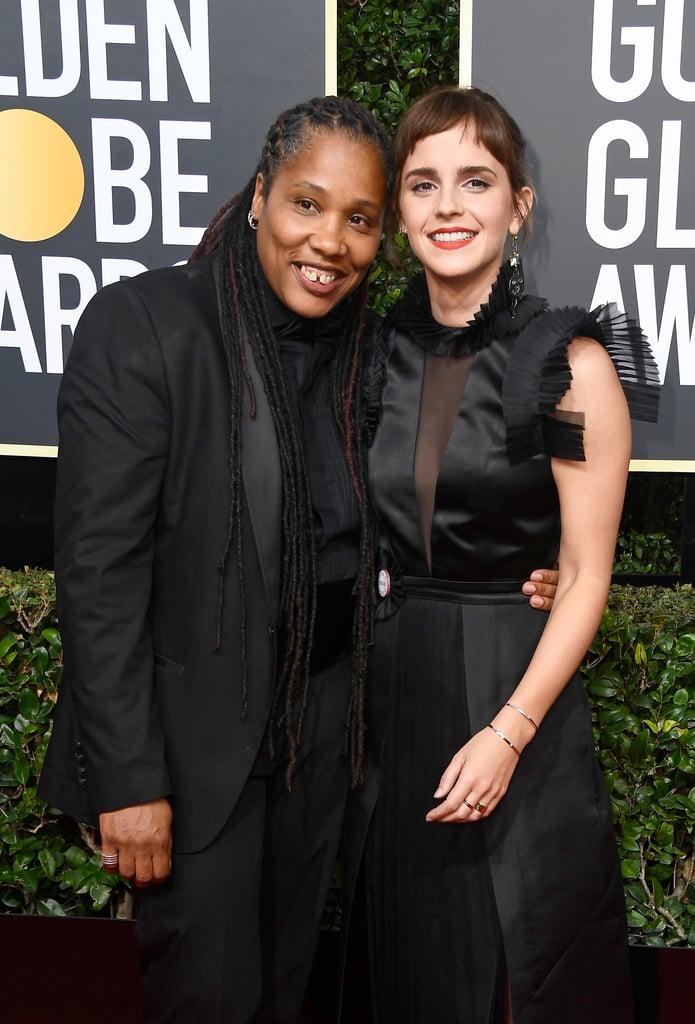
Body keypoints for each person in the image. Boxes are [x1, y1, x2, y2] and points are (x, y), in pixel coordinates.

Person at [39, 93, 556, 1023]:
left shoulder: (367, 345)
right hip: (195, 751)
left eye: (360, 220)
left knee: (283, 992)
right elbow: (98, 572)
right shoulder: (150, 325)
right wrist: (127, 782)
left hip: (324, 736)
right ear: (257, 197)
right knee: (211, 998)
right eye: (306, 205)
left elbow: (412, 508)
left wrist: (523, 566)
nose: (330, 241)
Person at [359, 86, 660, 1024]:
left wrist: (508, 731)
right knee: (406, 956)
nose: (448, 206)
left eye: (475, 181)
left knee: (520, 954)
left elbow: (582, 575)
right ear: (399, 208)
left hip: (514, 683)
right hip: (390, 686)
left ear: (517, 204)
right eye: (423, 183)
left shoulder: (567, 361)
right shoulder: (368, 355)